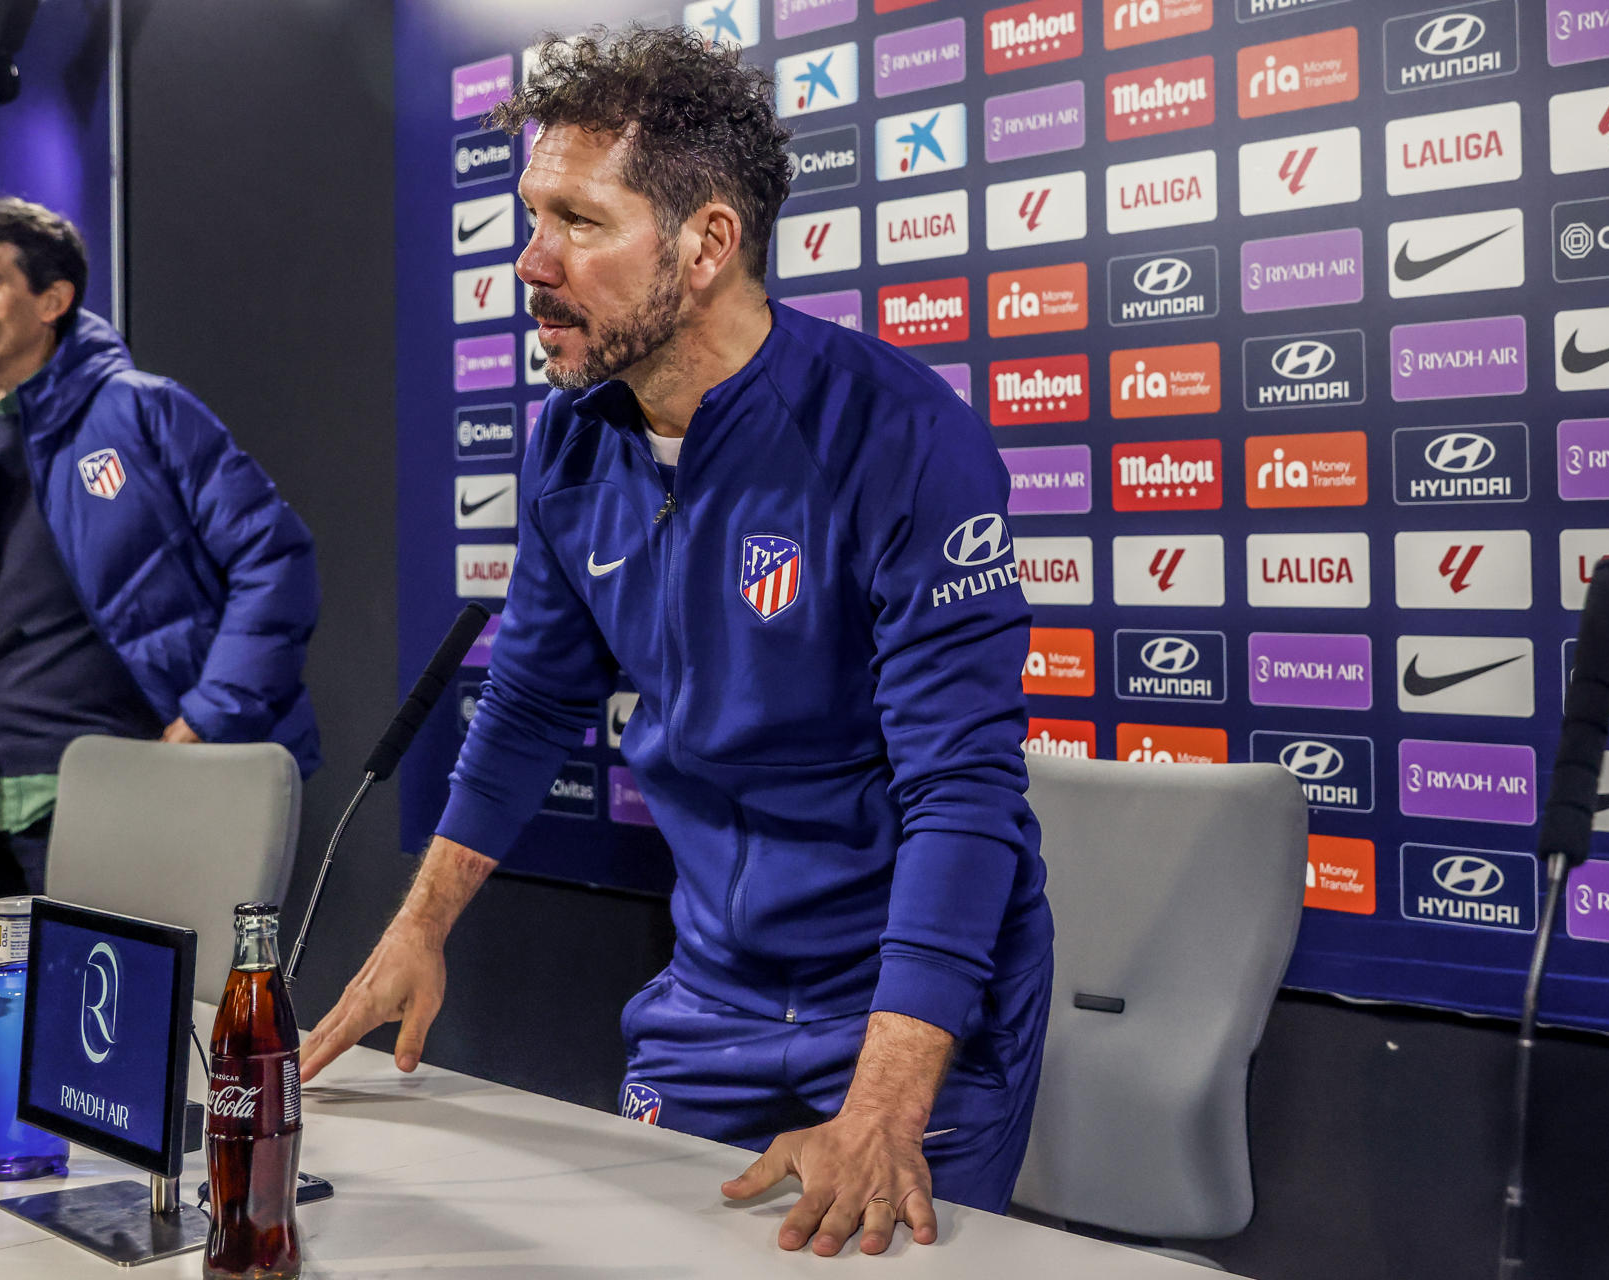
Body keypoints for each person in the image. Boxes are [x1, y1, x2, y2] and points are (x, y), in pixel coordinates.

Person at [300, 28, 1051, 1257]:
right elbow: (532, 705)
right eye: (530, 214)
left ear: (707, 244)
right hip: (710, 995)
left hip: (910, 1014)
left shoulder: (901, 434)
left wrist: (884, 1097)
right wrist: (417, 927)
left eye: (579, 222)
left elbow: (962, 788)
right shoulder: (572, 438)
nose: (532, 261)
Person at [0, 198, 321, 939]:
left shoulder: (143, 412)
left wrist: (210, 718)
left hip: (113, 800)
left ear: (52, 300)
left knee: (110, 1029)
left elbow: (275, 559)